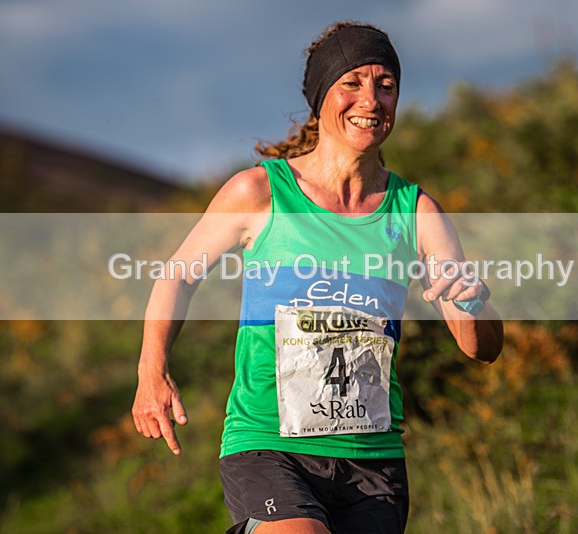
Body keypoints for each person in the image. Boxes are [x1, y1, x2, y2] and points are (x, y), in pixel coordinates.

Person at [132, 21, 503, 534]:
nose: (371, 100)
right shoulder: (259, 193)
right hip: (268, 445)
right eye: (351, 83)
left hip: (372, 458)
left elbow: (479, 347)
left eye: (386, 86)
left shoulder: (416, 212)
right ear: (321, 97)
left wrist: (475, 301)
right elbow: (177, 276)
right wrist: (152, 369)